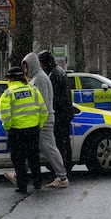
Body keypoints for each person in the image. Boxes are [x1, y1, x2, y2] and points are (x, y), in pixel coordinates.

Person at [23, 52, 69, 188]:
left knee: (49, 148)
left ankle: (62, 177)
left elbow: (41, 102)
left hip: (43, 119)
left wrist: (38, 120)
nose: (25, 70)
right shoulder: (38, 77)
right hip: (42, 118)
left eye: (26, 66)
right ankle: (21, 174)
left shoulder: (41, 79)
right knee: (34, 148)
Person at [0, 66, 48, 194]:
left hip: (16, 132)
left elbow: (5, 114)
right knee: (33, 157)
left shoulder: (8, 94)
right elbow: (43, 110)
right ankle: (37, 183)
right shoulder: (33, 90)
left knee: (19, 159)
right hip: (33, 130)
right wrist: (39, 125)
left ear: (11, 79)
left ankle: (23, 186)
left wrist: (8, 127)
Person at [39, 50, 74, 169]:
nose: (41, 67)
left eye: (41, 64)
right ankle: (66, 165)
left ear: (45, 63)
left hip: (60, 114)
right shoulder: (60, 71)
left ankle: (61, 167)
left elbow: (52, 97)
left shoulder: (54, 75)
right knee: (64, 141)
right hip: (65, 112)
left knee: (59, 142)